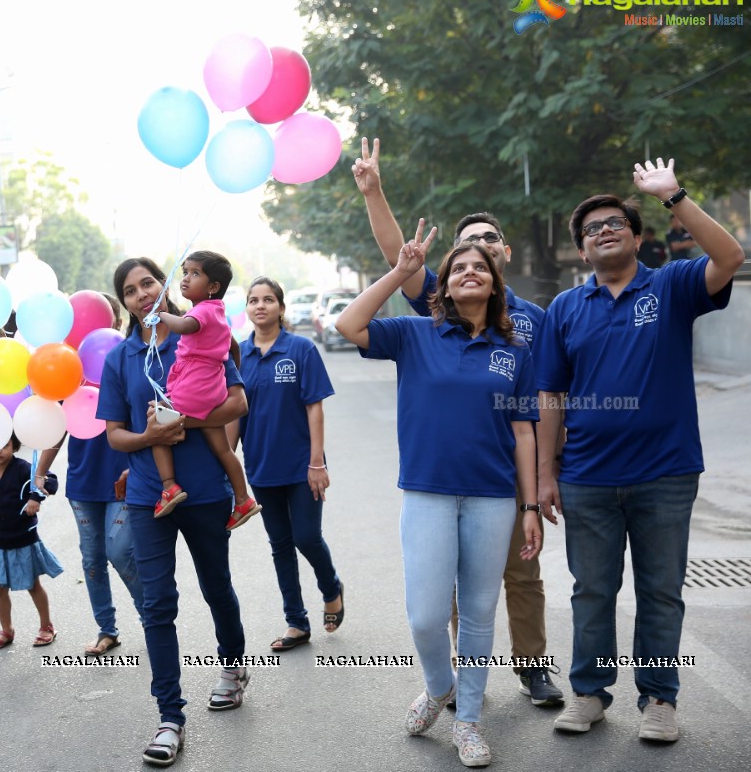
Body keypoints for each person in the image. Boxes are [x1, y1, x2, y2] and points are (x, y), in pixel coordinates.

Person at [538, 158, 744, 743]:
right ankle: (589, 694)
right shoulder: (565, 309)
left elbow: (730, 258)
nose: (604, 230)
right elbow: (550, 394)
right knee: (593, 591)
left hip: (666, 473)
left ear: (637, 236)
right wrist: (546, 474)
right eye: (592, 229)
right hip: (586, 477)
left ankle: (658, 699)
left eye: (615, 223)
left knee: (660, 590)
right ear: (582, 252)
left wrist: (673, 194)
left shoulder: (673, 285)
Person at [353, 136, 563, 707]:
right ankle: (452, 685)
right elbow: (401, 256)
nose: (478, 253)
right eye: (465, 248)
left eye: (488, 243)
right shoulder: (437, 314)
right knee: (445, 590)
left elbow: (544, 403)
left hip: (509, 474)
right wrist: (375, 193)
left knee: (522, 576)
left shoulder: (537, 322)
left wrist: (544, 478)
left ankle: (532, 668)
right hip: (440, 481)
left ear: (507, 252)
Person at [336, 224, 542, 769]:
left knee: (478, 612)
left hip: (492, 497)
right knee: (427, 616)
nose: (469, 272)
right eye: (457, 269)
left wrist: (528, 507)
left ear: (495, 284)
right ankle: (439, 686)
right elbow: (348, 324)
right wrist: (401, 272)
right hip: (427, 492)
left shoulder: (514, 349)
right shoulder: (414, 334)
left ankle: (469, 721)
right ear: (445, 287)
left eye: (480, 267)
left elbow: (524, 430)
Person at [97, 257, 250, 768]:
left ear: (166, 287)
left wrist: (185, 418)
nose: (143, 293)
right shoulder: (121, 359)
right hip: (149, 496)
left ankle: (232, 670)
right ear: (125, 302)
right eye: (132, 289)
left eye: (150, 283)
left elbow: (238, 403)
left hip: (206, 491)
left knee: (215, 586)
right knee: (158, 604)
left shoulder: (200, 337)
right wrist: (151, 437)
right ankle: (170, 717)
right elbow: (115, 433)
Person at [233, 277, 344, 652]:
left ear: (280, 307)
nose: (260, 305)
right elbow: (234, 415)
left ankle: (331, 587)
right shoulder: (237, 356)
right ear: (247, 309)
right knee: (280, 544)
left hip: (302, 466)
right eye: (253, 300)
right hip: (261, 466)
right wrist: (227, 464)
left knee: (306, 537)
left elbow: (315, 408)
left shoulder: (300, 349)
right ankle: (296, 622)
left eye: (267, 300)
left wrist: (317, 463)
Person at [34, 292, 145, 656]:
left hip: (124, 478)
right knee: (92, 559)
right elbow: (57, 426)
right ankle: (106, 628)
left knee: (119, 551)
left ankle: (152, 616)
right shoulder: (70, 370)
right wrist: (40, 471)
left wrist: (137, 466)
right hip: (83, 482)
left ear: (114, 321)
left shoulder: (128, 361)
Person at [147, 250, 259, 531]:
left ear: (213, 287)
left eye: (195, 274)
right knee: (222, 449)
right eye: (185, 272)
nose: (185, 278)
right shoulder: (218, 312)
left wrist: (162, 315)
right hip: (209, 387)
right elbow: (233, 347)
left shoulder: (203, 311)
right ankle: (243, 499)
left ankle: (169, 487)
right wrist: (225, 370)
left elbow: (185, 326)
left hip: (194, 385)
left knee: (158, 423)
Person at [0, 433, 63, 650]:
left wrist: (36, 497)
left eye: (4, 445)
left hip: (24, 539)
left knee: (33, 584)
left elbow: (51, 482)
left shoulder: (25, 469)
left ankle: (46, 626)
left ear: (14, 446)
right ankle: (7, 630)